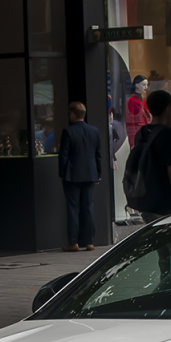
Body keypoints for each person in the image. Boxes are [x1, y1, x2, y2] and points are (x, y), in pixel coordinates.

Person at [127, 89, 171, 222]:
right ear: (167, 109)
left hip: (146, 202)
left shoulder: (142, 133)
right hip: (165, 205)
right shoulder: (170, 135)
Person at [57, 102, 102, 251]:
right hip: (90, 174)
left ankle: (73, 242)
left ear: (72, 114)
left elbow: (63, 155)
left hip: (72, 175)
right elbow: (98, 155)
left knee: (73, 209)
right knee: (88, 208)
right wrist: (98, 174)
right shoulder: (94, 131)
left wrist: (62, 173)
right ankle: (89, 241)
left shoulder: (68, 132)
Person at [125, 75, 151, 147]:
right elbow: (130, 123)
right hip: (138, 135)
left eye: (147, 85)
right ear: (136, 84)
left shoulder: (144, 101)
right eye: (143, 84)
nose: (146, 87)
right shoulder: (131, 101)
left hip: (146, 135)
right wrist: (132, 142)